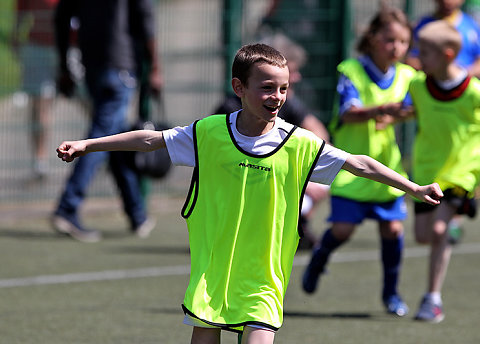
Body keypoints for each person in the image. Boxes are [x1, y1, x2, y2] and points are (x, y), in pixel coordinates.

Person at [55, 43, 442, 343]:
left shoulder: (300, 143)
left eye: (284, 89)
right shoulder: (208, 134)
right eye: (267, 88)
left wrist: (412, 187)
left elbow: (360, 163)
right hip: (213, 272)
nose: (277, 97)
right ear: (239, 88)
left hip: (264, 277)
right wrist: (89, 145)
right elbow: (149, 141)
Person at [302, 7, 416, 317]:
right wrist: (382, 110)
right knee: (342, 230)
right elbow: (347, 113)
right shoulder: (351, 70)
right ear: (373, 38)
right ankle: (319, 259)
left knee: (393, 230)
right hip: (353, 170)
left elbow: (416, 108)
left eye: (403, 42)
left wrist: (404, 112)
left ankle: (391, 294)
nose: (397, 47)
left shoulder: (409, 76)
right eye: (390, 40)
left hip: (387, 169)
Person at [51, 0, 162, 242]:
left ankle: (137, 213)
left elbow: (61, 18)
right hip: (120, 66)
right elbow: (146, 19)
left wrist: (63, 67)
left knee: (113, 138)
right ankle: (68, 207)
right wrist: (154, 68)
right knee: (99, 141)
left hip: (92, 65)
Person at [214, 33, 330, 249]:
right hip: (238, 180)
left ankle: (296, 224)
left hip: (272, 176)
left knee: (322, 179)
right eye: (293, 72)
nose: (296, 78)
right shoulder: (229, 111)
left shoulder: (286, 101)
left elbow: (319, 132)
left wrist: (306, 172)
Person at [407, 20, 480, 323]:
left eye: (424, 52)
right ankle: (451, 224)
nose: (417, 57)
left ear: (448, 54)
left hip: (462, 170)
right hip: (427, 169)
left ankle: (432, 299)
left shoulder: (474, 92)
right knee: (424, 235)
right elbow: (413, 112)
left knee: (436, 232)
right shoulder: (417, 86)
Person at [406, 0, 480, 244]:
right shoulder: (425, 26)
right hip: (435, 104)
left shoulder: (470, 25)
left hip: (460, 98)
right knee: (423, 235)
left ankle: (455, 211)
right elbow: (413, 58)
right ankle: (456, 208)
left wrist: (462, 78)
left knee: (440, 226)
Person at [15, 0, 59, 179]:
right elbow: (21, 10)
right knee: (40, 106)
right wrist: (16, 35)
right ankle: (40, 160)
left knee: (92, 102)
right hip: (38, 47)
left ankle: (107, 148)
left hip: (71, 46)